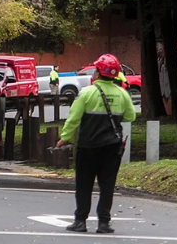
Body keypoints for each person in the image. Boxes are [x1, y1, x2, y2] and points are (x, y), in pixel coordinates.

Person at [56, 53, 136, 234]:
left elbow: (73, 119)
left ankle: (80, 221)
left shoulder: (86, 93)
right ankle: (104, 223)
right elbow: (131, 116)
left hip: (87, 146)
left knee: (84, 184)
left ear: (98, 73)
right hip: (112, 147)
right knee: (107, 185)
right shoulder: (122, 94)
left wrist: (65, 138)